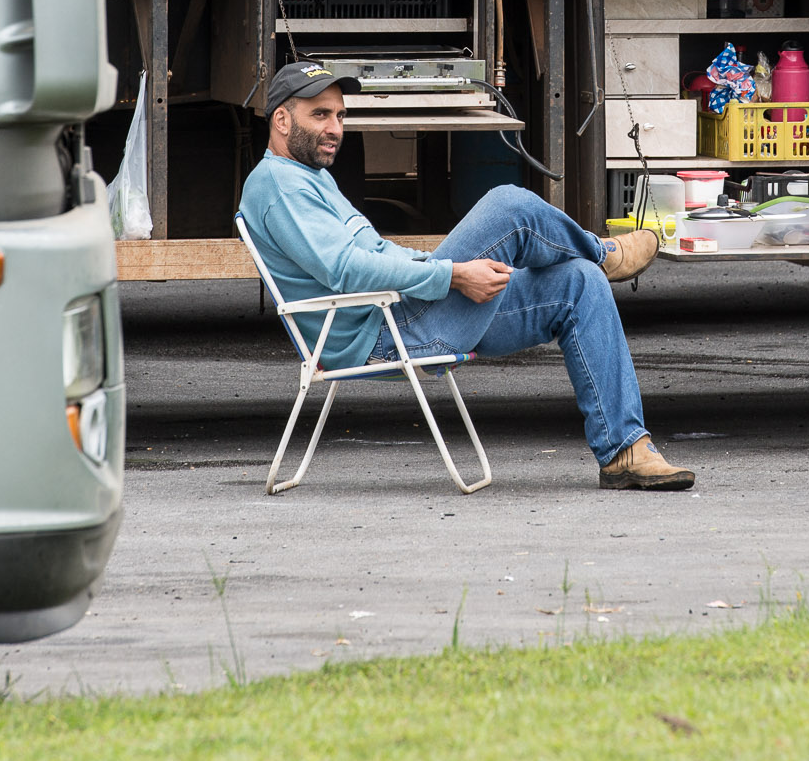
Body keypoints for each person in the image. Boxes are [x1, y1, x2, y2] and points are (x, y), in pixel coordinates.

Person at [239, 61, 693, 491]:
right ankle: (603, 252)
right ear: (281, 120)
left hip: (399, 316)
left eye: (340, 115)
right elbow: (346, 270)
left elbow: (375, 251)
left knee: (579, 282)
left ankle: (625, 452)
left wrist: (438, 269)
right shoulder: (278, 184)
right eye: (320, 115)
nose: (335, 128)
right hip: (383, 334)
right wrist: (452, 275)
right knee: (509, 207)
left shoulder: (309, 175)